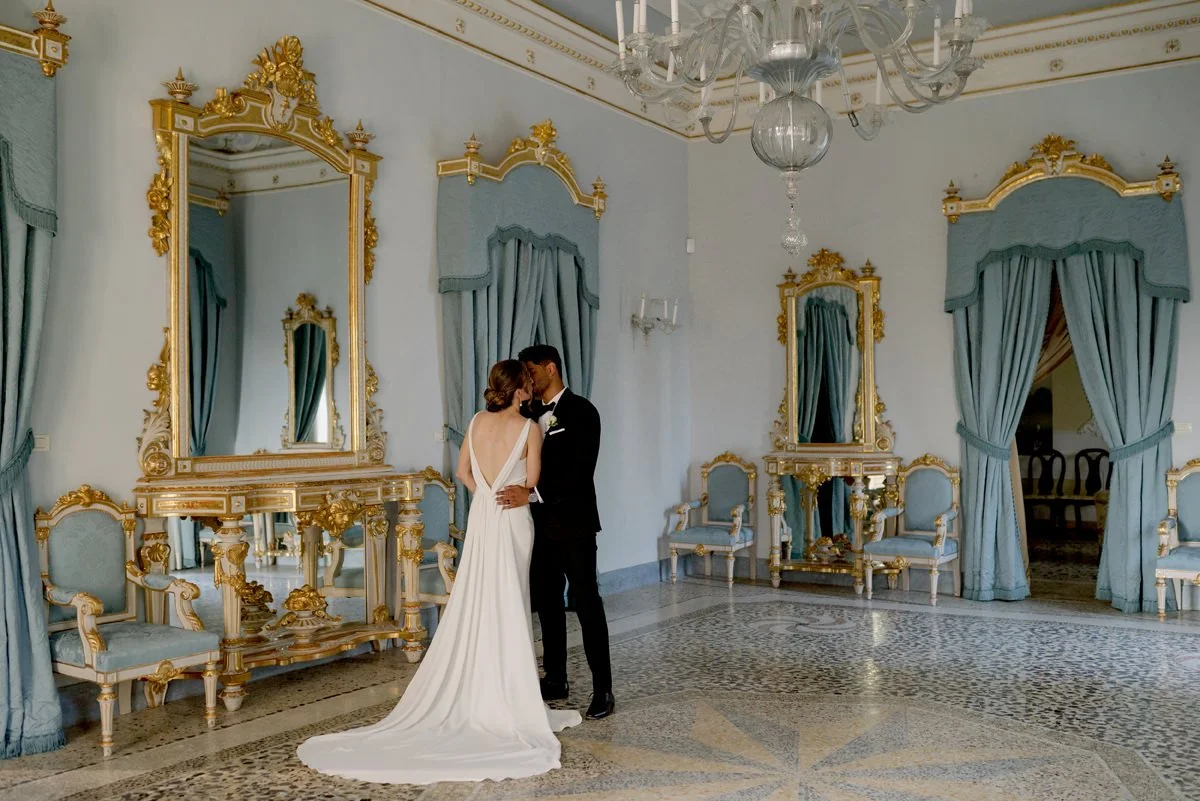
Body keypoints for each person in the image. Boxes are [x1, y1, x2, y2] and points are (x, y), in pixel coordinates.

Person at [296, 360, 581, 785]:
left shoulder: (477, 421)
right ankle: (510, 694)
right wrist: (506, 493)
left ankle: (482, 686)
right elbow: (533, 480)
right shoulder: (529, 429)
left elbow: (462, 472)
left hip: (485, 514)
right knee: (511, 599)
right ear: (521, 388)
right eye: (527, 382)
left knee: (480, 596)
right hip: (512, 518)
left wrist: (485, 495)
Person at [495, 345, 614, 720]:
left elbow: (580, 472)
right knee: (547, 604)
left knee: (586, 603)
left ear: (550, 368)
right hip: (539, 526)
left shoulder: (583, 411)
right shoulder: (527, 413)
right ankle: (556, 678)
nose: (528, 380)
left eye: (531, 372)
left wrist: (530, 493)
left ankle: (603, 688)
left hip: (575, 525)